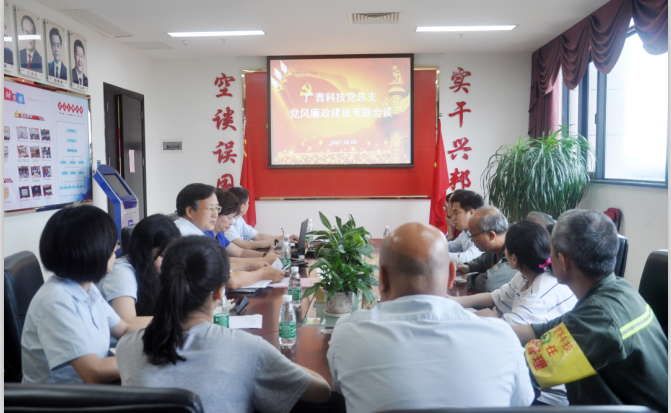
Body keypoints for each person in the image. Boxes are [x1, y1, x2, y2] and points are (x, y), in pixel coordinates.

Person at [327, 222, 534, 413]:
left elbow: (341, 390)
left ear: (382, 278)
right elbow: (522, 402)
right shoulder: (502, 337)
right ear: (451, 275)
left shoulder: (346, 334)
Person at [116, 236, 331, 413]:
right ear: (220, 292)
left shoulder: (127, 346)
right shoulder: (248, 349)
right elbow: (321, 392)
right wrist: (271, 357)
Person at [511, 210, 667, 411]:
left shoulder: (601, 318)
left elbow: (525, 368)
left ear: (564, 261)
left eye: (550, 252)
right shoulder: (619, 289)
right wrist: (488, 328)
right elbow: (541, 330)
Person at [450, 219, 577, 406]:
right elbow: (494, 297)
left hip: (548, 392)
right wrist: (451, 303)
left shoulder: (539, 296)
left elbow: (499, 333)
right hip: (533, 367)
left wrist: (459, 319)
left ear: (514, 259)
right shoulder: (527, 275)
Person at [21, 205, 142, 383]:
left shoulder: (87, 287)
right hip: (62, 396)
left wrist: (168, 336)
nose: (115, 251)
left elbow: (123, 330)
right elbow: (94, 372)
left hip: (88, 390)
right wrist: (150, 358)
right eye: (112, 245)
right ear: (93, 251)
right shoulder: (56, 301)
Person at [99, 214, 180, 326]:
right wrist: (180, 322)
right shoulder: (122, 273)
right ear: (144, 251)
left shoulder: (154, 271)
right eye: (162, 255)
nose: (169, 262)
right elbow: (127, 323)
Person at [206, 188, 286, 289]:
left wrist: (265, 256)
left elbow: (240, 252)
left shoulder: (219, 233)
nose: (232, 222)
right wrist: (262, 265)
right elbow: (227, 269)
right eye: (229, 218)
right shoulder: (204, 236)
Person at [456, 206, 517, 292]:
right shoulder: (496, 247)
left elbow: (487, 283)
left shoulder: (515, 249)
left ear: (491, 235)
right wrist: (468, 267)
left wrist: (470, 278)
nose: (471, 239)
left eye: (473, 235)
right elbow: (482, 261)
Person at [226, 186, 299, 249]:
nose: (248, 205)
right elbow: (244, 245)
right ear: (242, 207)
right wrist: (280, 240)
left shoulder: (239, 219)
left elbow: (258, 236)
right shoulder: (226, 223)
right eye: (248, 202)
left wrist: (285, 237)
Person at [448, 190, 484, 264]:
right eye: (453, 213)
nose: (453, 218)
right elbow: (451, 246)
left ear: (472, 213)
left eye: (456, 213)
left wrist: (435, 255)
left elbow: (466, 258)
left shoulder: (483, 233)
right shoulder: (465, 233)